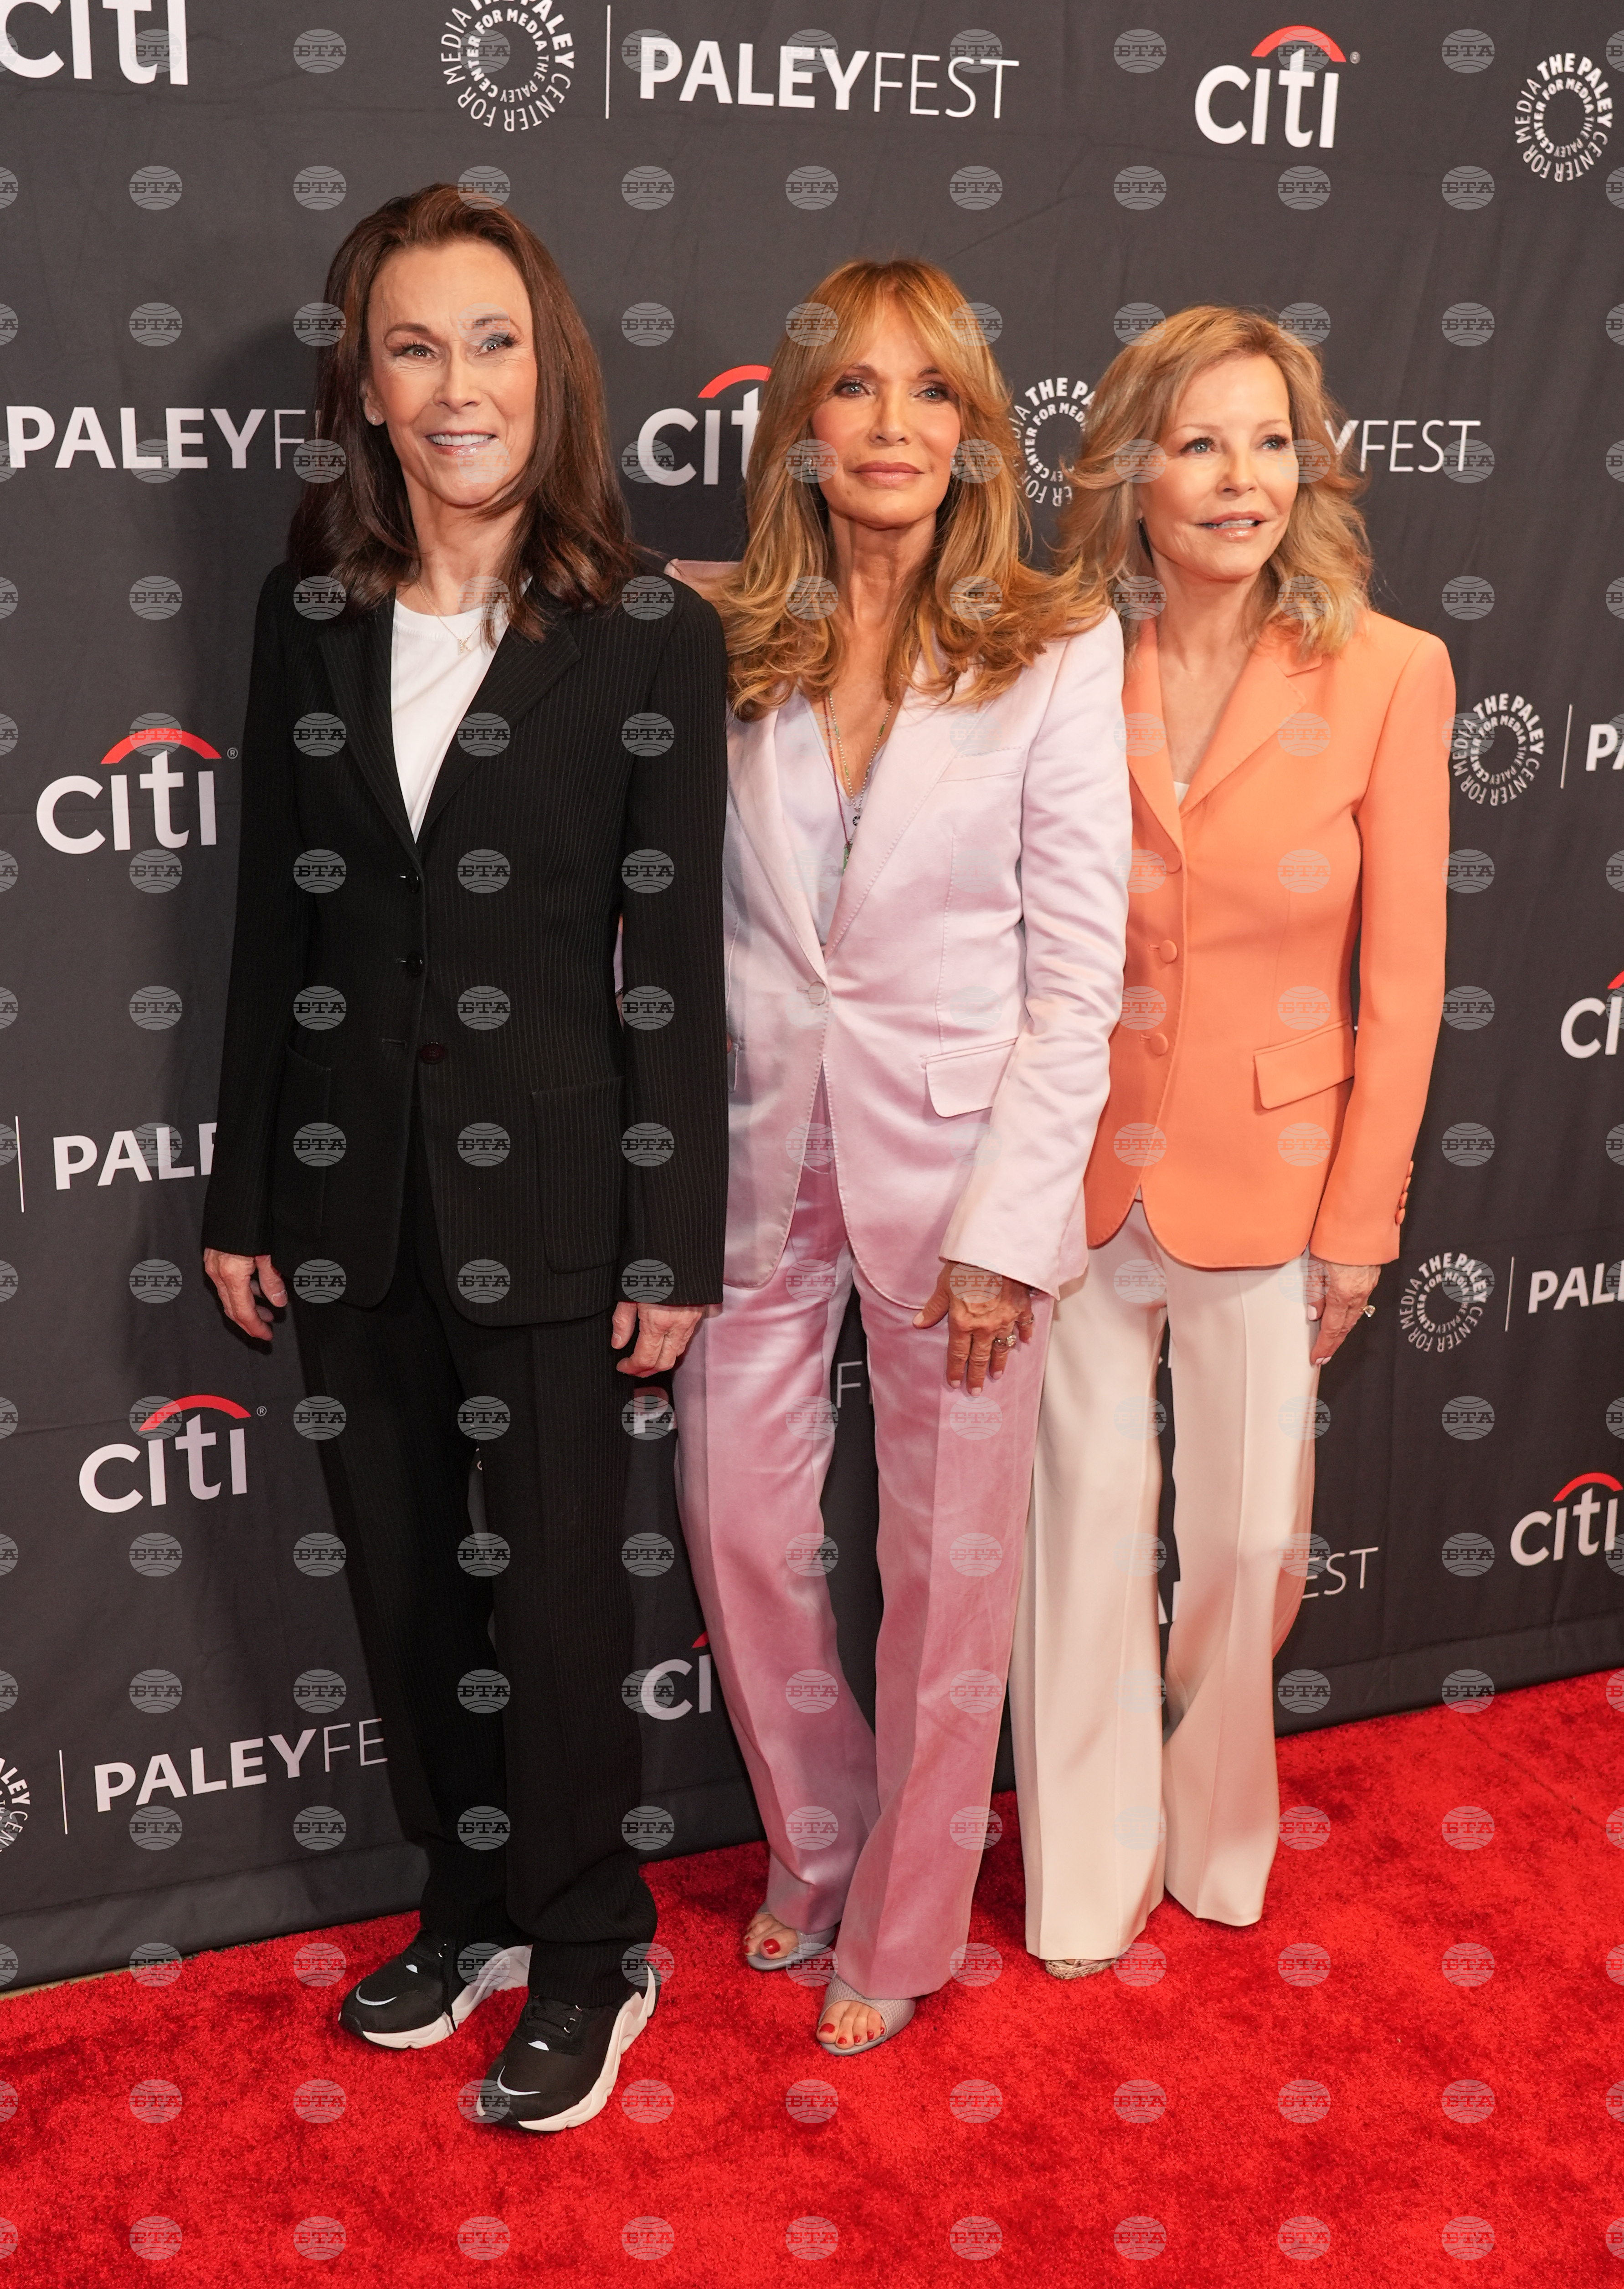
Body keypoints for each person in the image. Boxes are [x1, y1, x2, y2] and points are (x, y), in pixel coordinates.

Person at [200, 185, 728, 2130]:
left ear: (550, 361)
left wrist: (674, 1237)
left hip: (559, 1199)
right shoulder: (308, 611)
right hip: (348, 1197)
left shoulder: (647, 628)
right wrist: (246, 1192)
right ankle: (473, 1893)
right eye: (412, 345)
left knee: (562, 1595)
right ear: (367, 381)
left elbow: (668, 966)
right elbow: (277, 919)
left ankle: (595, 1940)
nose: (456, 384)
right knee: (415, 1585)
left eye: (490, 340)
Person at [669, 258, 1130, 2055]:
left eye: (926, 390)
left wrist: (1021, 1221)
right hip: (754, 1159)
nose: (886, 425)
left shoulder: (1053, 643)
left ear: (973, 432)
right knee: (741, 1521)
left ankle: (913, 1917)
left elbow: (1079, 969)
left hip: (964, 1187)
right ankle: (822, 1834)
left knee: (948, 1565)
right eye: (850, 389)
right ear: (801, 430)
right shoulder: (718, 635)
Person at [1011, 306, 1452, 1976]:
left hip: (1276, 1187)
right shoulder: (1055, 657)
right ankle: (1081, 1880)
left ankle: (1210, 1830)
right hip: (1068, 1169)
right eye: (1198, 441)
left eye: (1270, 440)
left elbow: (1401, 985)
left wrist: (1364, 1217)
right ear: (1131, 468)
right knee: (1073, 1535)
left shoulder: (1389, 671)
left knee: (1252, 1540)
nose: (1239, 477)